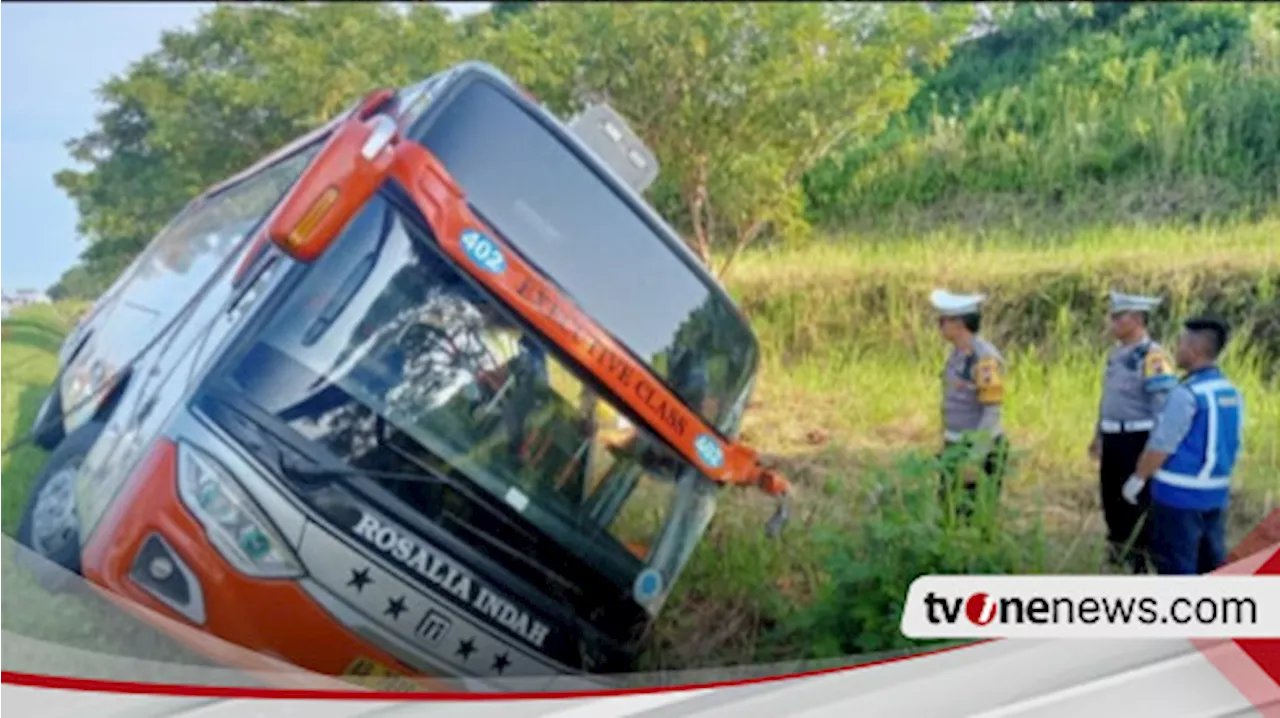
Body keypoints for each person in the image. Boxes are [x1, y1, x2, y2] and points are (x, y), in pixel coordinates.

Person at [1122, 316, 1243, 575]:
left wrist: (1138, 478)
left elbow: (1161, 445)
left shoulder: (1186, 394)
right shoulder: (1230, 392)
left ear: (1194, 350)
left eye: (1180, 343)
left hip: (1178, 497)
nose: (1175, 349)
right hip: (1215, 494)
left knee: (1176, 566)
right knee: (1211, 565)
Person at [1089, 291, 1178, 573]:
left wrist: (1154, 450)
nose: (1112, 322)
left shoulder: (1153, 357)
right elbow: (1109, 399)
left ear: (1138, 319)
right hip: (1113, 436)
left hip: (1138, 439)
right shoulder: (1116, 355)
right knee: (1111, 498)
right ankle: (1119, 554)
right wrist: (1098, 434)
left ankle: (1140, 561)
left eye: (1119, 317)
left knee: (1137, 501)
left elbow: (1163, 408)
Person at [930, 289, 1009, 518]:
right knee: (949, 512)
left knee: (973, 516)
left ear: (960, 323)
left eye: (944, 320)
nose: (940, 325)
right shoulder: (957, 355)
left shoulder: (983, 359)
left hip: (976, 449)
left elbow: (992, 410)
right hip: (956, 444)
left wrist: (975, 457)